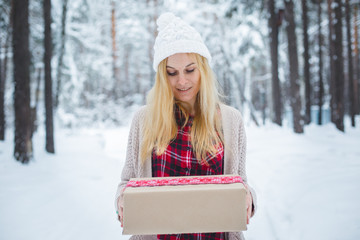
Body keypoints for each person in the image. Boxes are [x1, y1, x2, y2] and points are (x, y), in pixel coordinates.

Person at [115, 12, 256, 240]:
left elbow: (240, 182)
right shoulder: (144, 120)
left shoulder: (231, 120)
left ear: (203, 69)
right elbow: (126, 183)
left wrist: (249, 199)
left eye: (190, 70)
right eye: (172, 73)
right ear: (162, 76)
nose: (181, 81)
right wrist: (122, 199)